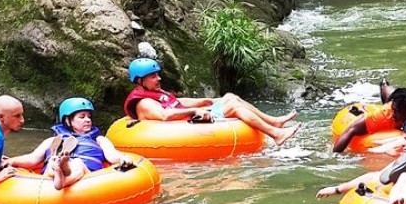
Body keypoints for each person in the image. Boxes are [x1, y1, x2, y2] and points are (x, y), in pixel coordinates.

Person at [124, 58, 300, 146]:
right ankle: (276, 134)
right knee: (233, 106)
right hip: (185, 125)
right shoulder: (143, 103)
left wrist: (206, 101)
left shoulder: (154, 92)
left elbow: (175, 101)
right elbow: (164, 115)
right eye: (153, 76)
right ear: (140, 80)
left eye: (158, 75)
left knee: (230, 96)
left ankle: (274, 121)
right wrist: (195, 111)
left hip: (188, 118)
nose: (159, 78)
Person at [7, 98, 133, 190]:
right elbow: (32, 159)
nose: (88, 120)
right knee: (52, 161)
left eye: (89, 116)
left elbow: (112, 155)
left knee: (77, 163)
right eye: (82, 117)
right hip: (51, 178)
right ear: (68, 121)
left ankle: (63, 174)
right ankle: (62, 168)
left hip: (87, 176)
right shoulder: (52, 141)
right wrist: (11, 161)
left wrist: (123, 158)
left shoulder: (99, 140)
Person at [332, 87, 406, 153]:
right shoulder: (385, 113)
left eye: (398, 112)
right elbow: (352, 129)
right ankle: (384, 86)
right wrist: (335, 156)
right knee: (389, 96)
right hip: (398, 99)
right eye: (394, 109)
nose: (394, 114)